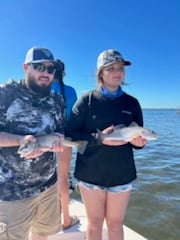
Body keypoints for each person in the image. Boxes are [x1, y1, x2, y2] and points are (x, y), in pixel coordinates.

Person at [65, 49, 147, 240]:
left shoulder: (132, 103)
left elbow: (137, 139)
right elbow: (70, 134)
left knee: (116, 225)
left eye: (120, 68)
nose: (117, 72)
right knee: (94, 225)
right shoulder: (87, 100)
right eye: (111, 68)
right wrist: (99, 139)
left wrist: (139, 143)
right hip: (90, 175)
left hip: (122, 174)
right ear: (100, 73)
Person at [0, 47, 66, 240]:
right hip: (12, 191)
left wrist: (58, 140)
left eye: (50, 69)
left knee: (42, 235)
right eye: (39, 67)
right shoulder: (6, 94)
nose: (45, 73)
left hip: (48, 186)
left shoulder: (56, 100)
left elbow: (60, 130)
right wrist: (20, 140)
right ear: (25, 67)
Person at [51, 59, 79, 230]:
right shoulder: (70, 91)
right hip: (64, 140)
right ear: (64, 73)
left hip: (42, 140)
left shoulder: (41, 89)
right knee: (62, 178)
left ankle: (43, 217)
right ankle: (66, 219)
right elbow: (73, 119)